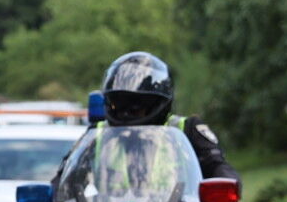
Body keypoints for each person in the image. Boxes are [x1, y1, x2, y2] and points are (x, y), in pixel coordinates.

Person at [99, 51, 238, 181]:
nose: (126, 112)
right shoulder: (98, 134)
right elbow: (79, 173)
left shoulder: (187, 129)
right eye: (118, 103)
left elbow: (216, 165)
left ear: (157, 103)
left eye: (136, 106)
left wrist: (227, 187)